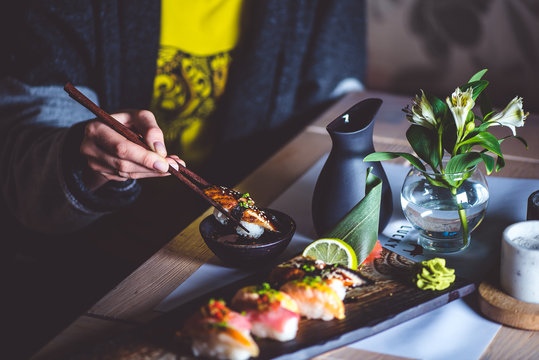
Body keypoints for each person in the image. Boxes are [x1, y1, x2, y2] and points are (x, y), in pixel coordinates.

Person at [0, 0, 366, 357]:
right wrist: (83, 161)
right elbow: (24, 175)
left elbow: (341, 103)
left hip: (249, 257)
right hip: (89, 267)